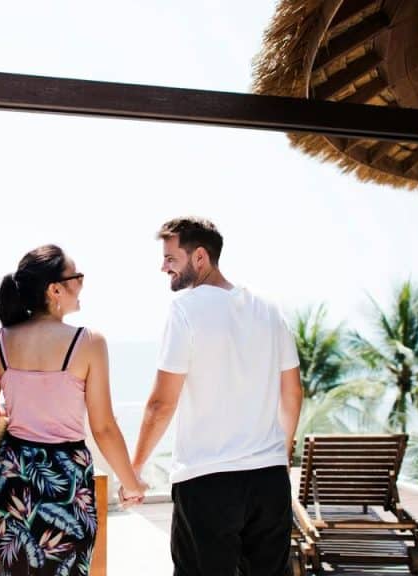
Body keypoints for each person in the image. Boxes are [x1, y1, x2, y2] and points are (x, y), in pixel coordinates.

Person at [130, 218, 304, 576]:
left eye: (170, 258)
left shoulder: (185, 310)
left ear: (199, 257)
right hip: (268, 481)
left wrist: (135, 468)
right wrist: (280, 454)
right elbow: (292, 392)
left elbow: (162, 404)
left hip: (207, 481)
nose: (163, 267)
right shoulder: (269, 309)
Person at [0, 244, 147, 575]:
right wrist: (132, 483)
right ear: (54, 290)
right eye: (76, 277)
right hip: (66, 481)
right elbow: (104, 428)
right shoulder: (89, 343)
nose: (82, 284)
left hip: (12, 478)